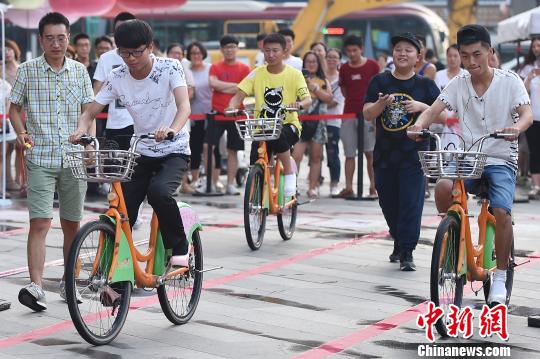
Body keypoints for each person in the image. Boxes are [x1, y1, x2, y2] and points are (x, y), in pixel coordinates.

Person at [409, 25, 533, 303]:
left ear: (490, 52)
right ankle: (454, 241)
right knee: (442, 187)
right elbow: (433, 110)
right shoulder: (458, 83)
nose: (471, 62)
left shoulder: (509, 81)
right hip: (469, 159)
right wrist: (418, 126)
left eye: (477, 54)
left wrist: (517, 127)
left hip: (501, 158)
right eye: (465, 56)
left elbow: (526, 113)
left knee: (502, 211)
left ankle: (500, 276)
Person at [70, 19, 192, 271]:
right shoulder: (117, 76)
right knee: (123, 208)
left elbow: (184, 106)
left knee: (159, 192)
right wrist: (81, 130)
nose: (132, 59)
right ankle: (114, 274)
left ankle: (180, 246)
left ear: (150, 47)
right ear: (117, 50)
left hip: (174, 148)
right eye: (125, 53)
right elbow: (90, 111)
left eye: (137, 52)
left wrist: (172, 129)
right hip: (142, 150)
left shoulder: (171, 67)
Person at [9, 12, 94, 311]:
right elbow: (14, 109)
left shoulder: (80, 71)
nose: (56, 43)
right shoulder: (27, 70)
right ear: (41, 39)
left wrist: (87, 144)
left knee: (72, 224)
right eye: (49, 38)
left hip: (73, 159)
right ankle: (36, 287)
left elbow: (88, 112)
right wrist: (20, 133)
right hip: (40, 157)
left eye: (61, 37)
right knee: (40, 223)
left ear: (68, 38)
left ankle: (68, 285)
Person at [363, 32, 442, 271]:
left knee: (411, 202)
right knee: (388, 202)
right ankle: (398, 238)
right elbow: (367, 113)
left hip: (414, 155)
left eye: (408, 50)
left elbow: (444, 114)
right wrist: (380, 105)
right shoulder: (380, 81)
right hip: (385, 154)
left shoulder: (425, 85)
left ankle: (407, 250)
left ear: (418, 56)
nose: (403, 53)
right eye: (398, 49)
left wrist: (422, 107)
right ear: (392, 54)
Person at [228, 33, 312, 197]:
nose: (271, 55)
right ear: (262, 51)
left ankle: (288, 173)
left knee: (279, 136)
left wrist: (299, 104)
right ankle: (259, 197)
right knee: (255, 159)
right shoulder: (256, 73)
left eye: (275, 51)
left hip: (289, 125)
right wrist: (231, 107)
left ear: (284, 51)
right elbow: (239, 95)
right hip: (263, 127)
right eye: (267, 51)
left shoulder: (295, 74)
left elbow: (307, 99)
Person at [337, 35, 379, 198]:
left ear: (361, 49)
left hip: (369, 114)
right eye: (349, 51)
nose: (352, 54)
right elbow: (344, 90)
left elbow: (377, 88)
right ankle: (348, 187)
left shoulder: (372, 66)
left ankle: (374, 187)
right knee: (349, 153)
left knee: (370, 152)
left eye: (355, 50)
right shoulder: (345, 68)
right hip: (349, 112)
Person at [207, 35, 251, 195]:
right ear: (221, 49)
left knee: (233, 150)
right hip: (217, 113)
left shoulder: (244, 68)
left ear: (237, 48)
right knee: (208, 146)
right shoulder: (215, 67)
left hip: (237, 114)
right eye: (226, 47)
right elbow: (213, 83)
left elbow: (245, 89)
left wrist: (222, 87)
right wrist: (237, 86)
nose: (229, 50)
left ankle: (230, 184)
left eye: (232, 46)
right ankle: (210, 182)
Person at [93, 11, 136, 151]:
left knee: (139, 170)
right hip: (117, 124)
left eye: (128, 29)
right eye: (120, 29)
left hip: (143, 124)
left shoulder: (144, 55)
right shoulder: (106, 58)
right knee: (115, 170)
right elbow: (96, 92)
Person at [292, 51, 332, 199]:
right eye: (308, 62)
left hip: (318, 122)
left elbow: (329, 98)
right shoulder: (297, 78)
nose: (311, 64)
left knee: (316, 157)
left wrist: (314, 88)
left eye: (314, 62)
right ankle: (292, 186)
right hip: (301, 121)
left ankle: (312, 187)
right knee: (296, 155)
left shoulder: (323, 80)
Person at [186, 41, 212, 191]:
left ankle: (211, 181)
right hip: (193, 115)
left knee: (209, 148)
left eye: (198, 53)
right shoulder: (187, 70)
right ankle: (195, 180)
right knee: (194, 148)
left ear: (203, 53)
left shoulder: (210, 69)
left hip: (210, 114)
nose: (196, 56)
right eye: (193, 53)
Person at [519, 36, 540, 199]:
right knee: (534, 150)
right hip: (534, 116)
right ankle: (535, 184)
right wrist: (529, 78)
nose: (536, 49)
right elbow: (521, 92)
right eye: (534, 47)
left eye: (539, 46)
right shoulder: (528, 68)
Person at [325, 48, 345, 196]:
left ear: (339, 60)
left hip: (333, 121)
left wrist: (319, 100)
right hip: (315, 121)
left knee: (332, 153)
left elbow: (334, 102)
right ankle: (315, 181)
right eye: (329, 57)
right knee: (315, 155)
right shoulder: (320, 78)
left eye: (335, 57)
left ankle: (334, 183)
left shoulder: (340, 79)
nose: (331, 60)